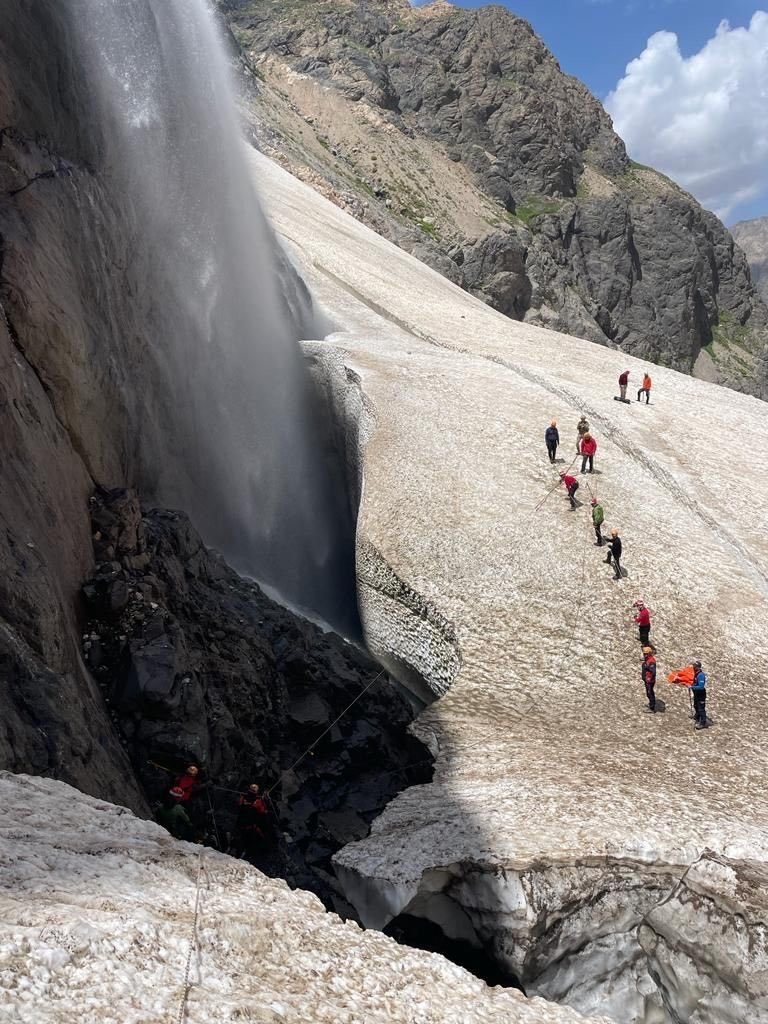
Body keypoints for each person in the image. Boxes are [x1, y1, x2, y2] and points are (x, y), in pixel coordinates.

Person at [234, 783, 272, 860]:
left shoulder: (244, 798)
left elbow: (240, 805)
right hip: (250, 826)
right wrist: (266, 801)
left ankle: (239, 851)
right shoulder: (257, 801)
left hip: (241, 824)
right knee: (254, 839)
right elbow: (263, 811)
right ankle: (249, 854)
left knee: (242, 838)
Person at [691, 660, 708, 729]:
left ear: (698, 667)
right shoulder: (696, 673)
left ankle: (703, 722)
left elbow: (701, 687)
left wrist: (692, 687)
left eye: (694, 666)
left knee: (701, 709)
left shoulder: (701, 675)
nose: (693, 667)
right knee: (695, 705)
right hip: (696, 693)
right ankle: (697, 716)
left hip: (701, 694)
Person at [641, 646, 657, 712]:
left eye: (646, 654)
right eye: (644, 654)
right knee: (648, 692)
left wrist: (649, 678)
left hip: (649, 680)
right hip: (647, 679)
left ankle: (652, 708)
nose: (645, 655)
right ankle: (651, 704)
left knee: (650, 692)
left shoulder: (651, 661)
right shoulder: (647, 660)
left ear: (649, 653)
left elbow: (653, 672)